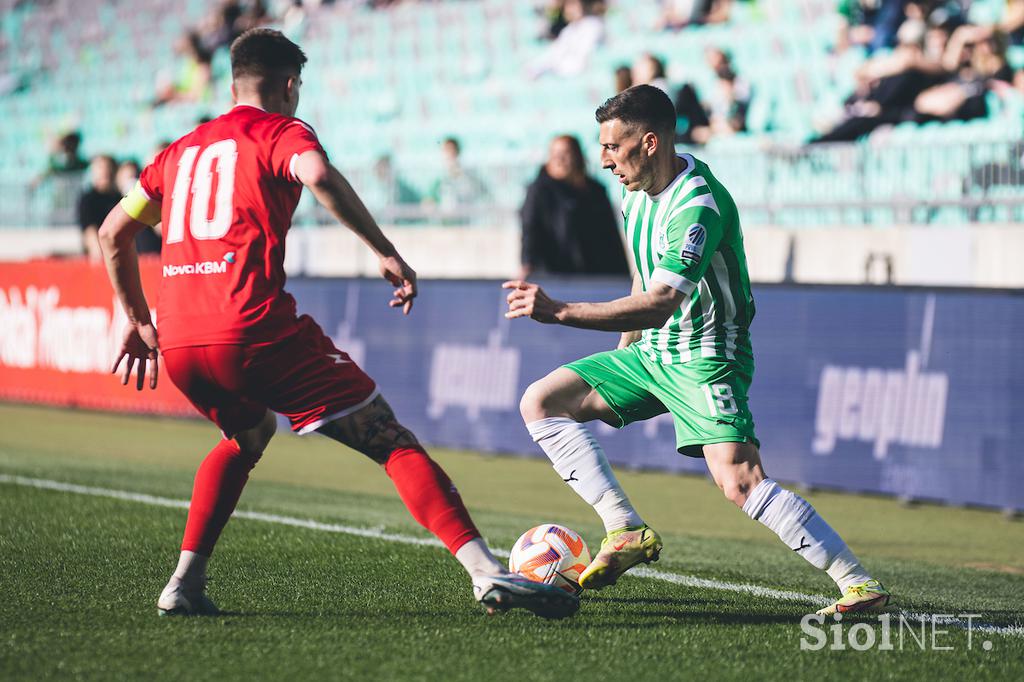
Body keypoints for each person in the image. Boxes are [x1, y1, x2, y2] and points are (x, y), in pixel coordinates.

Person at [97, 28, 577, 620]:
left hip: (181, 340)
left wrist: (134, 317)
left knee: (245, 438)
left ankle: (184, 584)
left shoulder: (180, 151)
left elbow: (112, 232)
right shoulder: (280, 131)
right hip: (253, 326)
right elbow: (317, 175)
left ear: (232, 82)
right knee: (389, 440)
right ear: (290, 85)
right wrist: (383, 249)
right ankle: (485, 572)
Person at [503, 85, 890, 617]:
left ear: (650, 142)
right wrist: (623, 356)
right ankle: (625, 530)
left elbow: (660, 301)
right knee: (541, 401)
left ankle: (858, 584)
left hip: (706, 358)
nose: (604, 159)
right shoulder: (632, 192)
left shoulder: (699, 206)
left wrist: (561, 311)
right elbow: (644, 276)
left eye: (613, 146)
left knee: (740, 481)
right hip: (651, 353)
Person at [520, 135, 628, 279]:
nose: (560, 160)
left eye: (566, 153)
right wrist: (528, 264)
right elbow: (530, 230)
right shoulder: (539, 191)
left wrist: (622, 274)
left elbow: (611, 236)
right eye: (555, 155)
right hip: (555, 275)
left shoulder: (596, 191)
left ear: (578, 156)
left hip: (595, 275)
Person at [78, 155, 121, 261]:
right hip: (100, 256)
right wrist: (99, 254)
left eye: (108, 167)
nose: (105, 171)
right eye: (101, 168)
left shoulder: (120, 198)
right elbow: (89, 230)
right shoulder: (88, 199)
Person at [116, 159, 162, 256]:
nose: (131, 182)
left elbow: (160, 229)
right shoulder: (112, 202)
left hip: (150, 256)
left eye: (134, 177)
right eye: (127, 178)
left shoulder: (150, 200)